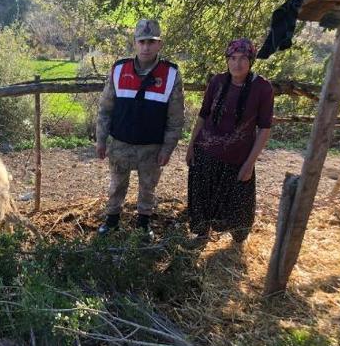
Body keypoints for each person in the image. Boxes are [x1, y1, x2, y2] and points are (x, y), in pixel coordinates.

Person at [96, 19, 185, 240]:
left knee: (148, 188)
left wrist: (168, 148)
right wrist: (100, 140)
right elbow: (105, 109)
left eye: (151, 42)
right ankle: (112, 222)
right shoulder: (119, 69)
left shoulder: (171, 74)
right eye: (142, 41)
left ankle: (144, 225)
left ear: (159, 44)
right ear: (135, 43)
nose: (146, 47)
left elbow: (176, 118)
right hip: (120, 143)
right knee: (117, 185)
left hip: (152, 147)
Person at [186, 38, 274, 243]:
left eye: (243, 58)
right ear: (227, 60)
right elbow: (203, 115)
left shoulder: (262, 88)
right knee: (202, 199)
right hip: (206, 153)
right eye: (233, 58)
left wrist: (249, 163)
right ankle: (201, 235)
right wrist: (191, 146)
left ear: (251, 60)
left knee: (239, 208)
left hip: (237, 159)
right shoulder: (217, 81)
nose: (237, 63)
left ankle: (236, 244)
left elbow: (264, 128)